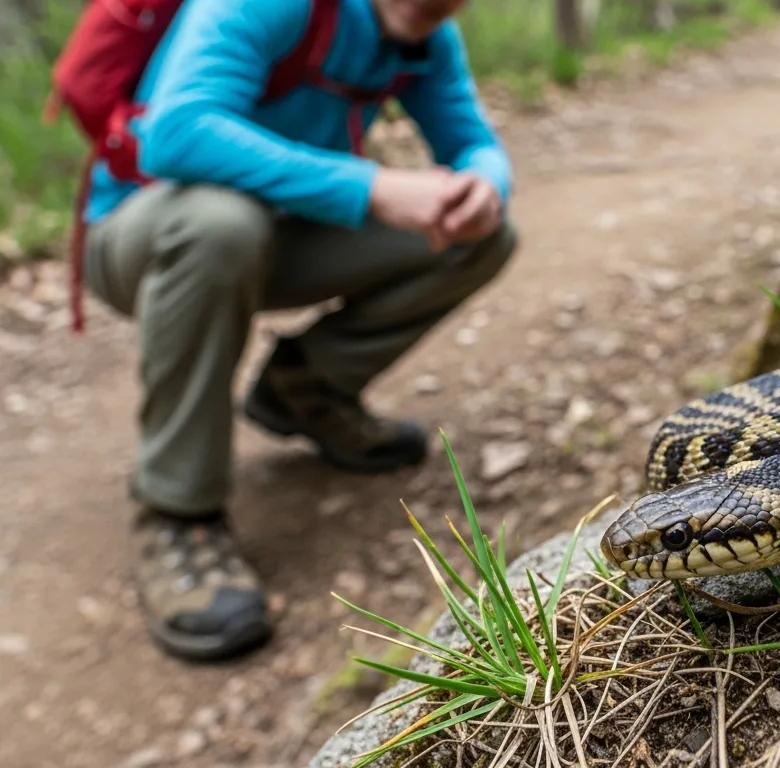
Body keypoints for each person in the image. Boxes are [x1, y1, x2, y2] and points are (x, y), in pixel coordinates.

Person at [78, 0, 517, 662]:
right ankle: (176, 510)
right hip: (142, 231)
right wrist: (372, 187)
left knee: (476, 237)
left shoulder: (427, 40)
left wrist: (484, 182)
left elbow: (473, 142)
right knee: (220, 224)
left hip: (282, 229)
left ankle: (303, 393)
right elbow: (176, 131)